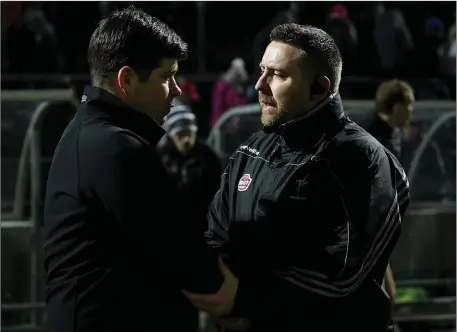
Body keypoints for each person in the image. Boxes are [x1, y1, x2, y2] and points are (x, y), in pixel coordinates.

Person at [185, 23, 410, 332]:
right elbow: (215, 234)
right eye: (261, 70)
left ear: (319, 88)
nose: (259, 85)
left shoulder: (363, 159)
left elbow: (342, 278)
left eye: (277, 74)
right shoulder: (251, 150)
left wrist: (245, 300)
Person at [43, 6, 238, 332]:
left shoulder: (87, 132)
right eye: (166, 76)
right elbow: (183, 255)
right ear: (127, 80)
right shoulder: (117, 148)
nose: (177, 89)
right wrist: (234, 294)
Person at [157, 105, 222, 236]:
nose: (186, 139)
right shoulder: (160, 158)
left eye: (189, 133)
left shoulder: (208, 157)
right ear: (171, 136)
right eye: (180, 134)